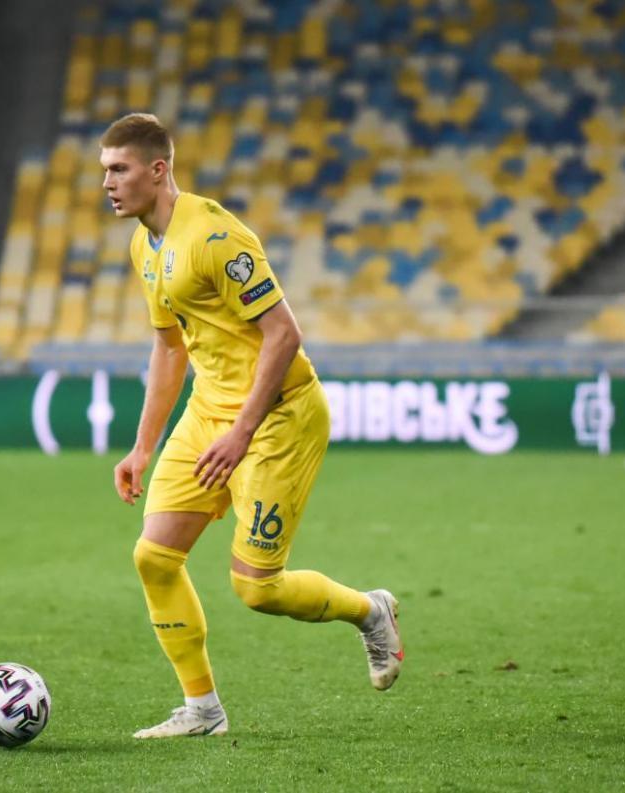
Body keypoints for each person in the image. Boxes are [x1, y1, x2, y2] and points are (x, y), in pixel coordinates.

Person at [103, 113, 403, 740]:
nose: (107, 182)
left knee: (257, 590)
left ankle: (371, 611)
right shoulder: (143, 245)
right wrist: (142, 446)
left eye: (119, 169)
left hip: (277, 418)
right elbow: (169, 348)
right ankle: (202, 710)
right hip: (209, 411)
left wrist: (241, 433)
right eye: (104, 170)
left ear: (157, 170)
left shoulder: (215, 237)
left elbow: (284, 334)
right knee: (154, 558)